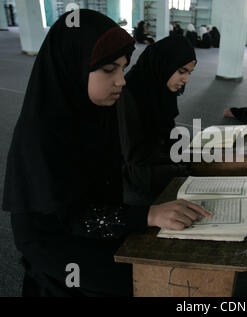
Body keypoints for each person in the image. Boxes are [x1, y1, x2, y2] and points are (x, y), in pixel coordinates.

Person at [3, 10, 209, 297]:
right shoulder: (42, 134)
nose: (121, 80)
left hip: (100, 227)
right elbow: (69, 219)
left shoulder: (97, 113)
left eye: (123, 68)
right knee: (148, 282)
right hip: (58, 248)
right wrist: (147, 215)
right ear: (72, 65)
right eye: (109, 69)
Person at [117, 35, 198, 204]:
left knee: (199, 160)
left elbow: (168, 132)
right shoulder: (130, 93)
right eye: (182, 71)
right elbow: (135, 155)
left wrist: (184, 155)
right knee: (191, 176)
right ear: (164, 64)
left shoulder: (162, 85)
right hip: (138, 166)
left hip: (158, 154)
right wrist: (177, 162)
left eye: (189, 73)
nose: (186, 79)